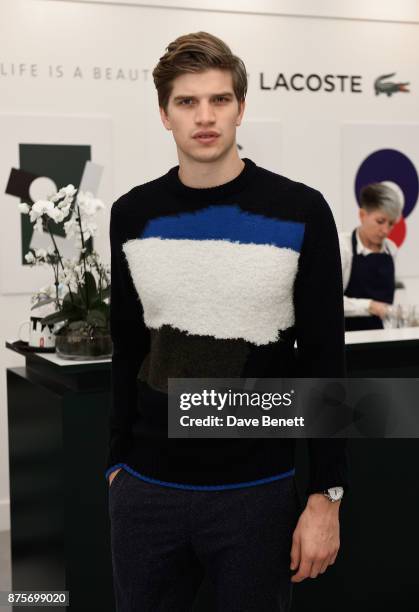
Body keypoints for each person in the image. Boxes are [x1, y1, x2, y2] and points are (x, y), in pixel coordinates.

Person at [105, 31, 349, 612]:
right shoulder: (134, 214)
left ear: (242, 107)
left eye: (219, 100)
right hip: (145, 491)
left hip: (257, 494)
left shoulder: (300, 210)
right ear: (164, 114)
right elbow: (128, 346)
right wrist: (115, 465)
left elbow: (323, 359)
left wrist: (326, 495)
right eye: (187, 102)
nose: (205, 117)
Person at [339, 183, 402, 331]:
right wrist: (371, 306)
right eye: (380, 221)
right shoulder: (343, 246)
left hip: (383, 337)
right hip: (349, 339)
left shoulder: (391, 249)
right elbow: (328, 301)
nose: (386, 230)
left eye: (391, 224)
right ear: (362, 215)